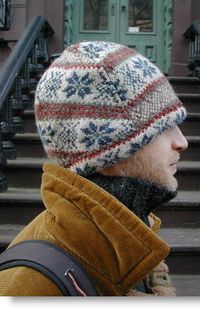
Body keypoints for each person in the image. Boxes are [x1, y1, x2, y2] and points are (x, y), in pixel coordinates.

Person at [0, 41, 188, 296]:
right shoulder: (29, 289)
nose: (182, 142)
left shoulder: (127, 237)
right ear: (108, 156)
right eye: (163, 128)